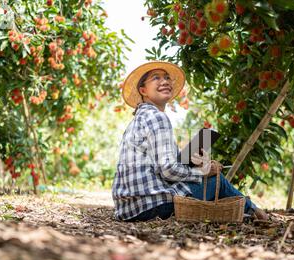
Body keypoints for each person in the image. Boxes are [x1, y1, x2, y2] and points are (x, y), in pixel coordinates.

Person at [112, 61, 268, 222]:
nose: (164, 81)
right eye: (156, 78)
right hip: (152, 205)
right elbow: (168, 170)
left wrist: (195, 163)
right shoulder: (157, 117)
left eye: (166, 78)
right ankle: (255, 211)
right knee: (217, 181)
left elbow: (162, 167)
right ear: (143, 90)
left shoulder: (139, 119)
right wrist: (203, 172)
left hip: (128, 209)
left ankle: (247, 213)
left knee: (203, 171)